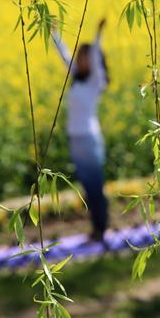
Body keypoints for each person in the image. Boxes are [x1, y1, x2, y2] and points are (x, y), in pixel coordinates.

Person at [52, 18, 109, 241]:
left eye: (86, 56)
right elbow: (63, 54)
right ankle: (96, 228)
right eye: (81, 56)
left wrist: (97, 35)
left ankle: (101, 228)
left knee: (95, 187)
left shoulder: (97, 80)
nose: (82, 60)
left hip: (89, 139)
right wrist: (54, 33)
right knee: (87, 187)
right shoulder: (76, 78)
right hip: (75, 139)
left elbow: (95, 60)